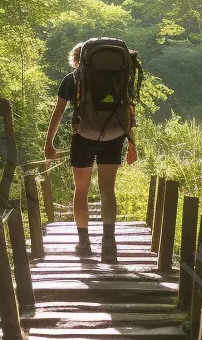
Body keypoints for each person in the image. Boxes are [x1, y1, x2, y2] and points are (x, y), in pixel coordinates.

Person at [44, 42, 137, 259]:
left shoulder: (73, 78)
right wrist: (132, 143)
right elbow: (129, 109)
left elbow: (58, 113)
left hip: (84, 135)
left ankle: (84, 244)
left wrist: (49, 142)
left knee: (82, 190)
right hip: (115, 134)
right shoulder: (120, 77)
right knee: (107, 190)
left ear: (79, 60)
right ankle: (109, 243)